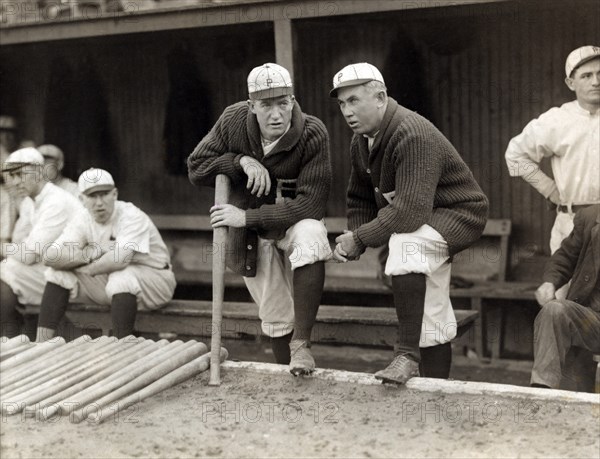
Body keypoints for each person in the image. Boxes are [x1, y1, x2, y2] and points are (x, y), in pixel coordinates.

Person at [330, 63, 489, 384]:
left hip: (457, 214)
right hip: (424, 218)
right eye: (342, 103)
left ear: (380, 97)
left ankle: (406, 355)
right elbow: (359, 196)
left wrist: (360, 239)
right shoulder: (361, 140)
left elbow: (409, 212)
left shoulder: (411, 132)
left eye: (354, 100)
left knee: (406, 244)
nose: (347, 111)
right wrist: (355, 232)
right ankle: (436, 388)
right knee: (431, 307)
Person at [188, 63, 332, 375]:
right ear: (252, 106)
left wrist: (246, 216)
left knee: (311, 234)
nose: (276, 114)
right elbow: (197, 167)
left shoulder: (312, 132)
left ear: (292, 101)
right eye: (266, 105)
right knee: (276, 312)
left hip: (286, 222)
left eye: (283, 103)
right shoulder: (234, 120)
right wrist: (240, 161)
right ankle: (290, 376)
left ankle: (302, 345)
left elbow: (312, 205)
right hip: (252, 238)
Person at [36, 168, 176, 341]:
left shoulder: (131, 215)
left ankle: (121, 348)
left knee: (121, 276)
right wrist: (89, 255)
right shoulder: (83, 218)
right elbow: (50, 257)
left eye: (104, 194)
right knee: (56, 274)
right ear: (82, 199)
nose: (99, 202)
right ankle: (40, 343)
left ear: (115, 194)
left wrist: (86, 266)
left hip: (156, 281)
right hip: (111, 284)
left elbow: (119, 260)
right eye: (92, 196)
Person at [505, 45, 600, 255]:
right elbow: (515, 155)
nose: (596, 81)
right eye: (586, 75)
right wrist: (548, 189)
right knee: (563, 286)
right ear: (570, 83)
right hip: (572, 222)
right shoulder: (557, 120)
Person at [0, 148, 82, 338]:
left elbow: (28, 254)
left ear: (38, 173)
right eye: (12, 175)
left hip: (78, 277)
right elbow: (20, 245)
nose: (16, 181)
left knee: (7, 270)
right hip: (50, 272)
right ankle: (11, 338)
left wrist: (5, 249)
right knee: (8, 267)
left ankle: (10, 338)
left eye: (21, 174)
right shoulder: (31, 201)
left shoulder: (56, 201)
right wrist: (13, 251)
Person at [531, 205, 600, 389]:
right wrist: (550, 282)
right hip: (591, 319)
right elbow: (566, 257)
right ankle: (542, 394)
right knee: (554, 310)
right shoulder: (590, 217)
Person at [12, 144, 80, 244]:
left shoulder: (74, 189)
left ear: (59, 164)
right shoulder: (30, 197)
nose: (41, 166)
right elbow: (18, 239)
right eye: (37, 163)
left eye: (46, 161)